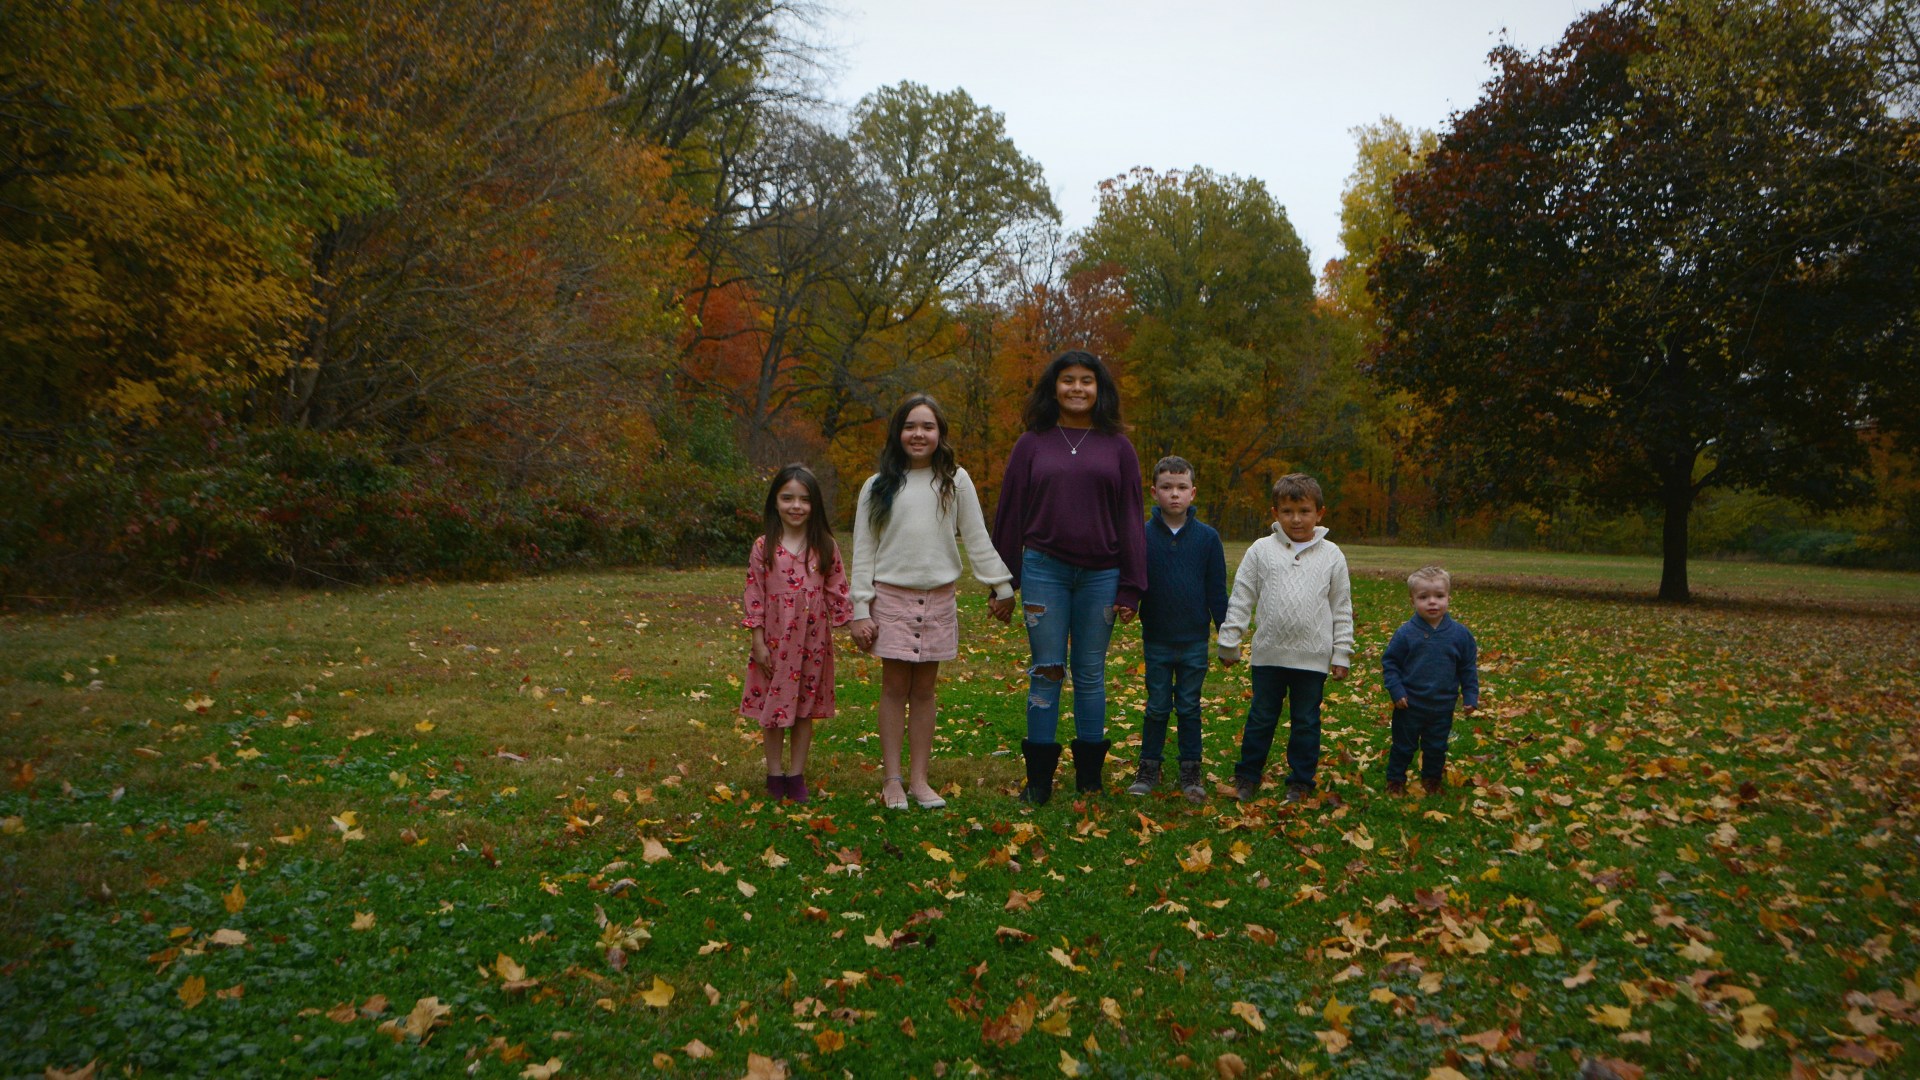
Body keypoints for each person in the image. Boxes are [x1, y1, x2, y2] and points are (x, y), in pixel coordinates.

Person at [991, 350, 1147, 804]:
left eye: (1086, 381)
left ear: (1100, 389)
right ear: (1053, 387)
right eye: (1068, 380)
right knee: (1047, 670)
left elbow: (1131, 517)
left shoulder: (1118, 447)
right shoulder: (1031, 444)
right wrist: (1003, 582)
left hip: (1102, 574)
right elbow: (1010, 514)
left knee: (1091, 672)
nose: (1077, 388)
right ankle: (1038, 781)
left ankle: (1089, 780)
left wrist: (1131, 587)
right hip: (1045, 569)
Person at [849, 393, 1016, 810]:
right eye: (910, 426)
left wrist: (1002, 585)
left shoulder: (955, 481)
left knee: (924, 691)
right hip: (891, 599)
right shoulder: (877, 486)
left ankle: (919, 781)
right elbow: (863, 551)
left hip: (938, 600)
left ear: (940, 433)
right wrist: (859, 609)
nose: (918, 434)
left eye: (927, 426)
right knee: (893, 688)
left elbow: (976, 537)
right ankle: (892, 780)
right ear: (898, 433)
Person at [1218, 473, 1353, 803]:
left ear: (1319, 513)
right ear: (1275, 513)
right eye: (1288, 511)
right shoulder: (1261, 550)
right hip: (1269, 655)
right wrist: (1230, 640)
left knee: (1305, 721)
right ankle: (1247, 776)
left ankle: (1301, 782)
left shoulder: (1332, 555)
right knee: (1261, 718)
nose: (1296, 519)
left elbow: (1341, 606)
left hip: (1312, 658)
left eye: (1304, 511)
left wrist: (1341, 653)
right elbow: (1242, 596)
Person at [738, 464, 851, 805]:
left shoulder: (825, 546)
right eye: (787, 498)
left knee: (804, 710)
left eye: (804, 499)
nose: (796, 506)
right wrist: (757, 640)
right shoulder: (763, 546)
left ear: (815, 504)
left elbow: (838, 591)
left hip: (812, 643)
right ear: (775, 501)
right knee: (773, 709)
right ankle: (774, 774)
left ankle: (796, 774)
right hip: (773, 641)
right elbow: (754, 593)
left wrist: (857, 624)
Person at [1127, 456, 1227, 803]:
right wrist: (1127, 604)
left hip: (1194, 640)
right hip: (1156, 638)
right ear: (1153, 491)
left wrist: (1226, 633)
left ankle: (1190, 771)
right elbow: (1133, 580)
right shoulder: (1141, 536)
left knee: (1189, 706)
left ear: (1192, 493)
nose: (1174, 494)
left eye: (1182, 487)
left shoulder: (1207, 539)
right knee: (1156, 706)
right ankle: (1148, 768)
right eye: (1167, 487)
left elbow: (1216, 590)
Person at [1381, 565, 1479, 795]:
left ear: (1448, 598)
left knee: (1436, 746)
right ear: (1413, 600)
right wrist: (1396, 691)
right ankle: (1395, 780)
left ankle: (1432, 780)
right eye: (1424, 597)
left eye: (1439, 596)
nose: (1432, 602)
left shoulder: (1460, 635)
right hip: (1409, 704)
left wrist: (1470, 695)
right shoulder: (1406, 634)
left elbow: (1467, 668)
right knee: (1403, 746)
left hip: (1442, 705)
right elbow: (1391, 664)